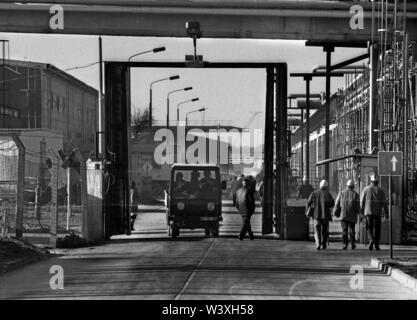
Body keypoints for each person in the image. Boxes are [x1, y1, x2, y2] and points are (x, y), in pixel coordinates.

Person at [360, 174, 389, 251]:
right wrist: (387, 214)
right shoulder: (381, 190)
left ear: (371, 181)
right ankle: (376, 245)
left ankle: (371, 239)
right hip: (377, 213)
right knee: (377, 229)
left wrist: (361, 212)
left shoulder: (365, 189)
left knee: (369, 227)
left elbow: (361, 202)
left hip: (368, 212)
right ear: (377, 182)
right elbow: (385, 203)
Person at [306, 179, 335, 250]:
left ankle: (318, 244)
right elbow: (332, 203)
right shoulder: (328, 194)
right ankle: (323, 244)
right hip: (325, 216)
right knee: (324, 230)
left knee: (317, 229)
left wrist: (308, 211)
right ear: (326, 186)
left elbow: (308, 202)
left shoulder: (314, 193)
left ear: (320, 185)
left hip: (316, 215)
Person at [333, 179, 360, 250]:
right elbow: (358, 206)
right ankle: (352, 244)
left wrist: (334, 213)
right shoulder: (356, 194)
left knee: (344, 230)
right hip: (352, 216)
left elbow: (337, 204)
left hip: (343, 215)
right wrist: (359, 215)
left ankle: (345, 244)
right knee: (352, 230)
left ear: (347, 185)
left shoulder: (341, 193)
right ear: (353, 186)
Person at [236, 176, 256, 240]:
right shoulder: (249, 190)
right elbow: (251, 201)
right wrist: (252, 209)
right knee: (245, 224)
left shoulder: (238, 191)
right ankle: (241, 236)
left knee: (247, 223)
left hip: (241, 210)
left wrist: (239, 209)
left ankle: (251, 235)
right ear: (247, 183)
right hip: (247, 210)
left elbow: (237, 202)